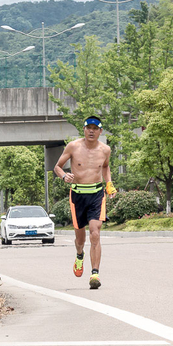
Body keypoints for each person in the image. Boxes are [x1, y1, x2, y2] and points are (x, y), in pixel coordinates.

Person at [53, 115, 116, 290]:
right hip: (77, 196)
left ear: (100, 131)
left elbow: (105, 167)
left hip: (96, 194)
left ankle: (94, 274)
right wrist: (64, 175)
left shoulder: (105, 150)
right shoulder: (73, 146)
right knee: (80, 238)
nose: (91, 131)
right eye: (88, 127)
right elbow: (57, 166)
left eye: (95, 128)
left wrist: (109, 183)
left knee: (95, 233)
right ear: (84, 129)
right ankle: (79, 255)